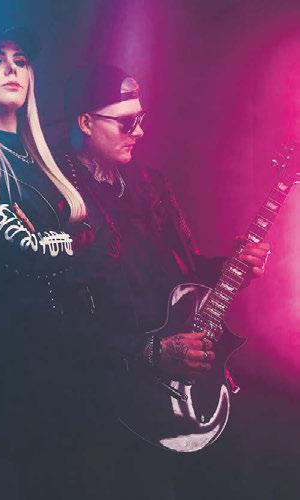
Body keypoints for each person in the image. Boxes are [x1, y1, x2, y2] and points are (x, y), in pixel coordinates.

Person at [51, 64, 271, 499]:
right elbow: (53, 314)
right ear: (86, 122)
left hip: (183, 388)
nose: (139, 131)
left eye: (142, 118)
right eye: (126, 122)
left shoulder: (150, 184)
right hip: (104, 401)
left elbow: (184, 274)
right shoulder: (56, 194)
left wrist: (231, 268)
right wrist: (149, 350)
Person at [0, 28, 102, 498]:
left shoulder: (40, 158)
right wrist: (72, 242)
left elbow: (96, 240)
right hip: (1, 364)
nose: (12, 68)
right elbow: (21, 251)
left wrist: (57, 242)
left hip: (60, 358)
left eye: (21, 60)